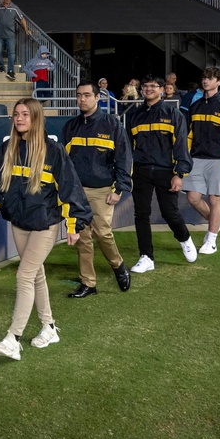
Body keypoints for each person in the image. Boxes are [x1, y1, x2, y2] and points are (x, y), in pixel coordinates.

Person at [0, 98, 92, 361]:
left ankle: (13, 338)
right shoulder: (7, 148)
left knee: (23, 275)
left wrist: (74, 223)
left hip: (45, 224)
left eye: (25, 115)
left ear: (36, 118)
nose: (19, 119)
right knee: (36, 275)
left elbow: (70, 188)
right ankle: (49, 327)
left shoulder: (53, 151)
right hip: (19, 223)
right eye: (16, 115)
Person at [61, 80, 133, 298]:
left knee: (103, 233)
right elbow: (63, 161)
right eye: (79, 95)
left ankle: (118, 265)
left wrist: (119, 188)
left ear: (98, 97)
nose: (81, 99)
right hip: (77, 192)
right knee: (83, 238)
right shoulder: (70, 127)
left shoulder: (112, 125)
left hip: (103, 190)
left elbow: (124, 159)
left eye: (86, 95)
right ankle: (88, 283)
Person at [127, 75, 197, 273]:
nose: (148, 89)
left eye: (153, 86)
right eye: (146, 86)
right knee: (141, 214)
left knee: (170, 213)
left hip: (166, 172)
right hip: (140, 171)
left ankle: (184, 238)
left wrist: (179, 174)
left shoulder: (173, 114)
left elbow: (181, 146)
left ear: (162, 90)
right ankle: (146, 257)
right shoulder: (134, 115)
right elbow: (128, 147)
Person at [183, 68, 220, 255]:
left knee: (214, 198)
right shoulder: (196, 105)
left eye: (210, 79)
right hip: (196, 158)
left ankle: (211, 240)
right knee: (192, 197)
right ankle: (215, 222)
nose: (205, 81)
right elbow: (188, 135)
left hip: (219, 159)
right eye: (204, 78)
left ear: (219, 82)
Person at [0, 0, 31, 80]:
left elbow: (22, 19)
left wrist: (26, 29)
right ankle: (1, 67)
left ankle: (11, 70)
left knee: (11, 54)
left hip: (10, 35)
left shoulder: (15, 8)